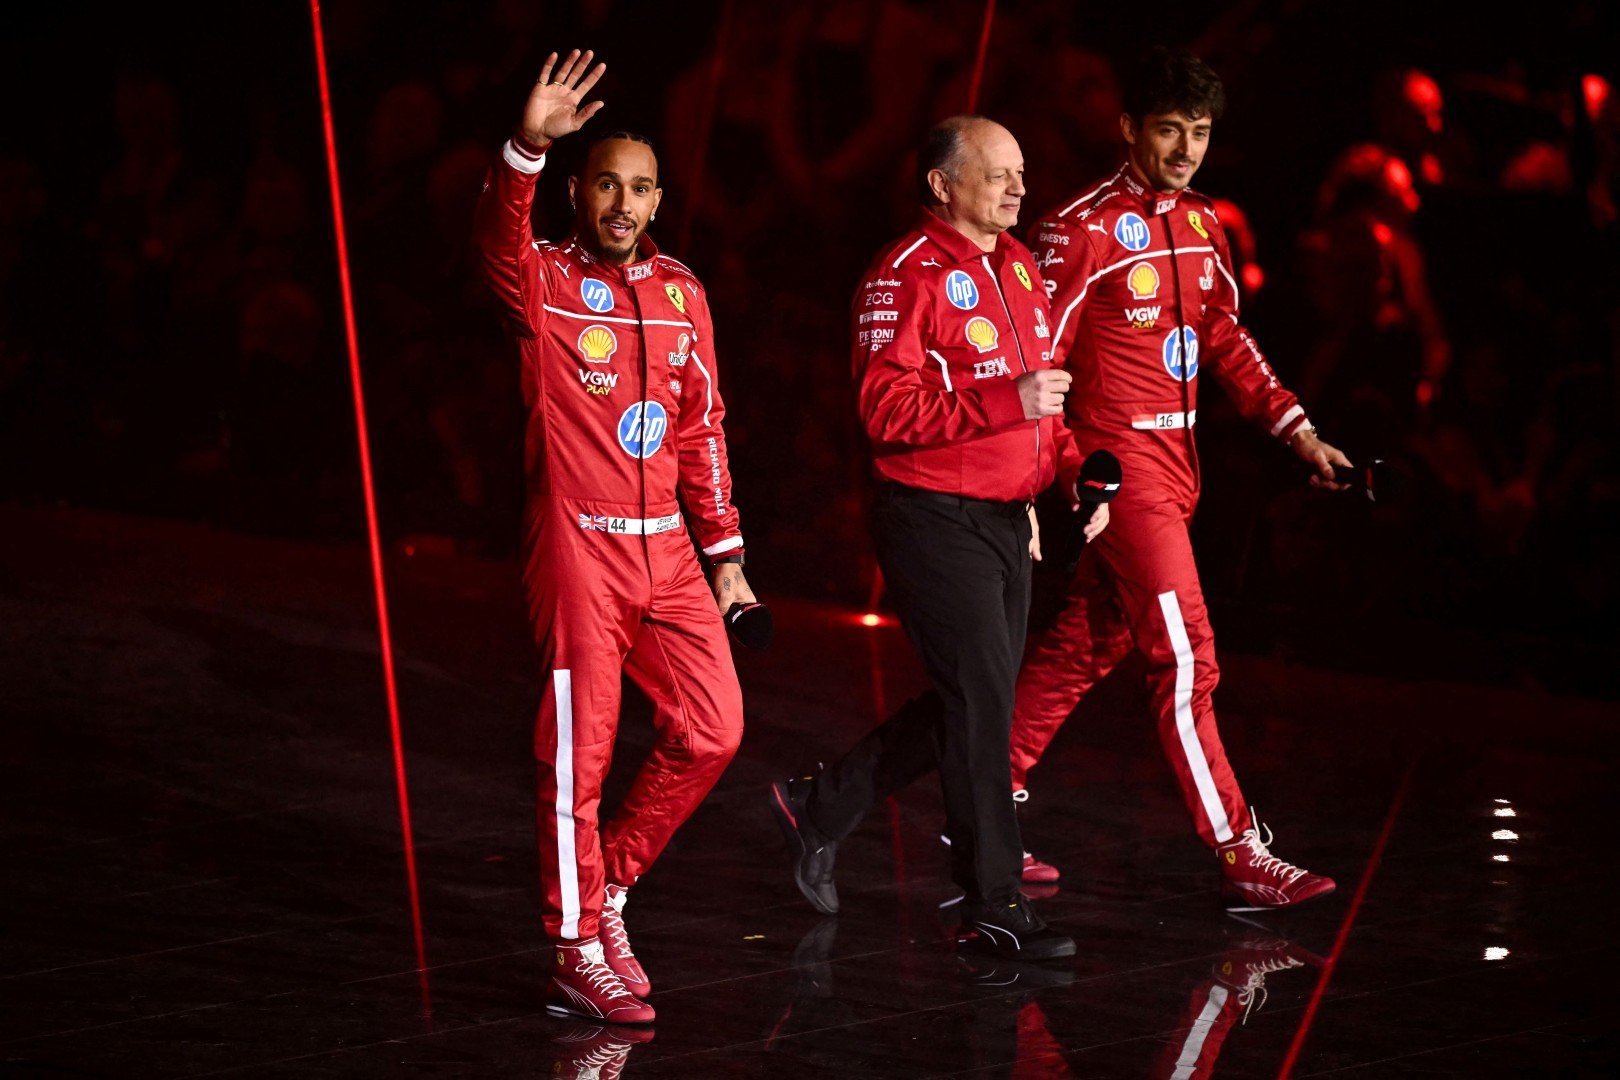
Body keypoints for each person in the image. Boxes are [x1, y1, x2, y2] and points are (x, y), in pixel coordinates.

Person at [1011, 47, 1346, 910]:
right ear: (1129, 129)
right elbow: (1038, 362)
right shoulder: (1078, 228)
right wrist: (1068, 474)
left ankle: (983, 795)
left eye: (1199, 132)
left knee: (1092, 641)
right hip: (1121, 476)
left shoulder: (1203, 223)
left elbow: (1228, 339)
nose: (1187, 148)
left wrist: (1298, 432)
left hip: (1181, 468)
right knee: (1187, 655)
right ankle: (1237, 846)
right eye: (1169, 130)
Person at [769, 116, 1105, 959]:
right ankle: (991, 900)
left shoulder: (1020, 267)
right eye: (998, 175)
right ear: (941, 185)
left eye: (1020, 172)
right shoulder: (903, 277)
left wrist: (1071, 474)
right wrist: (1011, 406)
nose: (1019, 189)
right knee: (982, 705)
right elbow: (884, 413)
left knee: (974, 698)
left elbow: (1045, 403)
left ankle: (821, 805)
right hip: (931, 516)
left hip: (1005, 520)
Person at [472, 50, 756, 1023]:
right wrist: (524, 149)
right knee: (578, 758)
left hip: (667, 552)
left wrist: (726, 559)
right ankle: (571, 944)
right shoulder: (544, 282)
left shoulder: (682, 293)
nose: (622, 203)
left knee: (715, 729)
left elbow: (702, 426)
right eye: (605, 184)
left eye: (639, 187)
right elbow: (496, 247)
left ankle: (612, 895)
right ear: (579, 193)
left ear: (659, 198)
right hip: (578, 548)